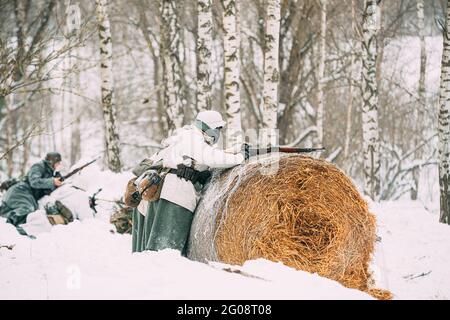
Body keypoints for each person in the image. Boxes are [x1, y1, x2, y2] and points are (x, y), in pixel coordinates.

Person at [130, 110, 247, 255]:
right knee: (166, 249)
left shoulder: (187, 138)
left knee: (154, 250)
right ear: (208, 127)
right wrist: (240, 157)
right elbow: (212, 158)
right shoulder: (192, 139)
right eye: (217, 129)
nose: (218, 133)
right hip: (175, 196)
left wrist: (234, 150)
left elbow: (205, 157)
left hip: (162, 193)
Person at [0, 152, 73, 235]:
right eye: (58, 162)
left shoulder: (54, 174)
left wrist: (58, 183)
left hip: (26, 195)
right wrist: (52, 181)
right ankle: (7, 229)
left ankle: (12, 229)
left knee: (30, 212)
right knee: (27, 208)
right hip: (20, 190)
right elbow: (34, 182)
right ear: (51, 162)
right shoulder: (39, 167)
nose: (59, 164)